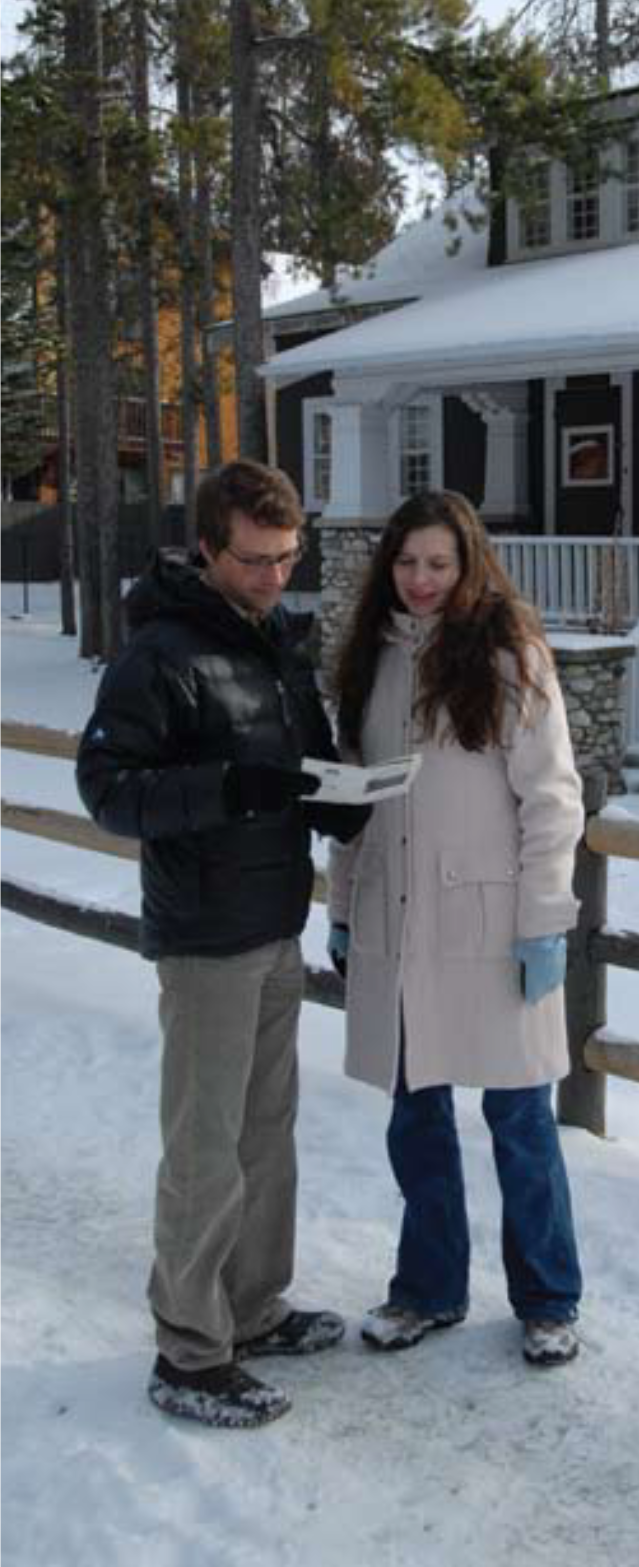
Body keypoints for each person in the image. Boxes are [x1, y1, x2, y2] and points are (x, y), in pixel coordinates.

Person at [76, 459, 372, 1429]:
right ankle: (190, 1349)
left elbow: (296, 762)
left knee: (264, 1133)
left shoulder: (276, 643)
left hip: (275, 920)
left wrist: (337, 803)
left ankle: (251, 1306)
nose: (275, 576)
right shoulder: (158, 653)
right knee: (204, 1146)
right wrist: (226, 791)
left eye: (288, 558)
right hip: (205, 937)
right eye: (255, 560)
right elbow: (109, 790)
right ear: (208, 549)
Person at [327, 489, 585, 1368]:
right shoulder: (371, 660)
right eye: (407, 563)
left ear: (468, 563)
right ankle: (428, 1289)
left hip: (491, 923)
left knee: (522, 1121)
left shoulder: (512, 657)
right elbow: (356, 799)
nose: (422, 580)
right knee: (417, 1120)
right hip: (395, 926)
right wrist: (340, 908)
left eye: (439, 563)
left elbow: (552, 800)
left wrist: (545, 923)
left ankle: (548, 1297)